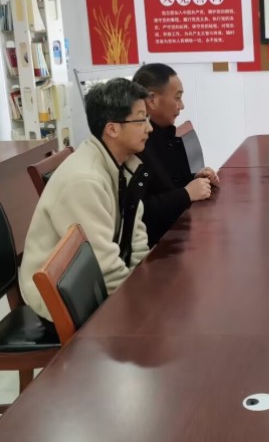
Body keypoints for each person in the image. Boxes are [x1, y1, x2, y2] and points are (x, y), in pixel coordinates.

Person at [20, 79, 153, 321]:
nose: (149, 128)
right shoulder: (85, 181)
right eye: (141, 120)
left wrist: (145, 283)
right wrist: (142, 307)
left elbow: (136, 237)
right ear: (112, 129)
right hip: (61, 298)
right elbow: (103, 267)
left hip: (92, 285)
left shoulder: (122, 165)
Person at [132, 63, 220, 246]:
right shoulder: (135, 144)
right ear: (152, 100)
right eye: (177, 98)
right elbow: (137, 211)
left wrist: (194, 179)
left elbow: (168, 185)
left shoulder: (165, 136)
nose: (182, 105)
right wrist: (186, 194)